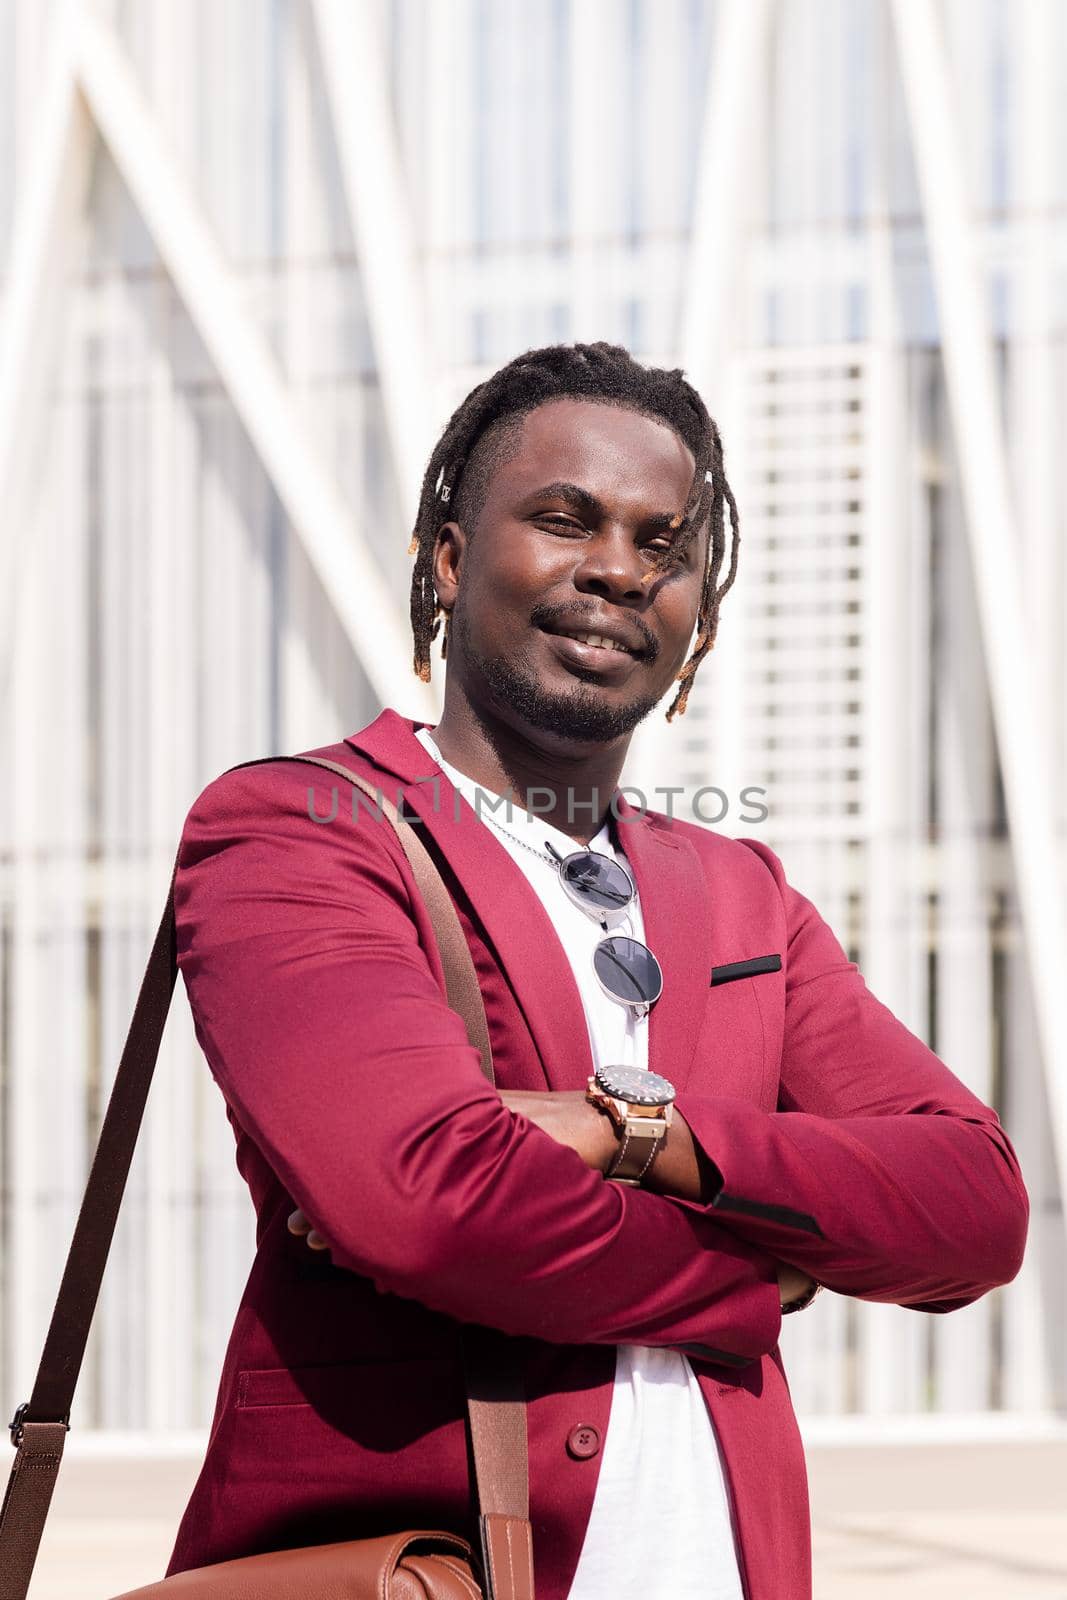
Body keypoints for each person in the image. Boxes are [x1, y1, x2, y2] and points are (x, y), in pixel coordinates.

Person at [165, 343, 1028, 1600]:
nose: (618, 569)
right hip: (431, 1573)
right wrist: (762, 1276)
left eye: (662, 543)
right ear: (450, 561)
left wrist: (632, 1135)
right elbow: (429, 1197)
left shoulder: (739, 890)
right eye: (565, 520)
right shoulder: (303, 826)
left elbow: (971, 1202)